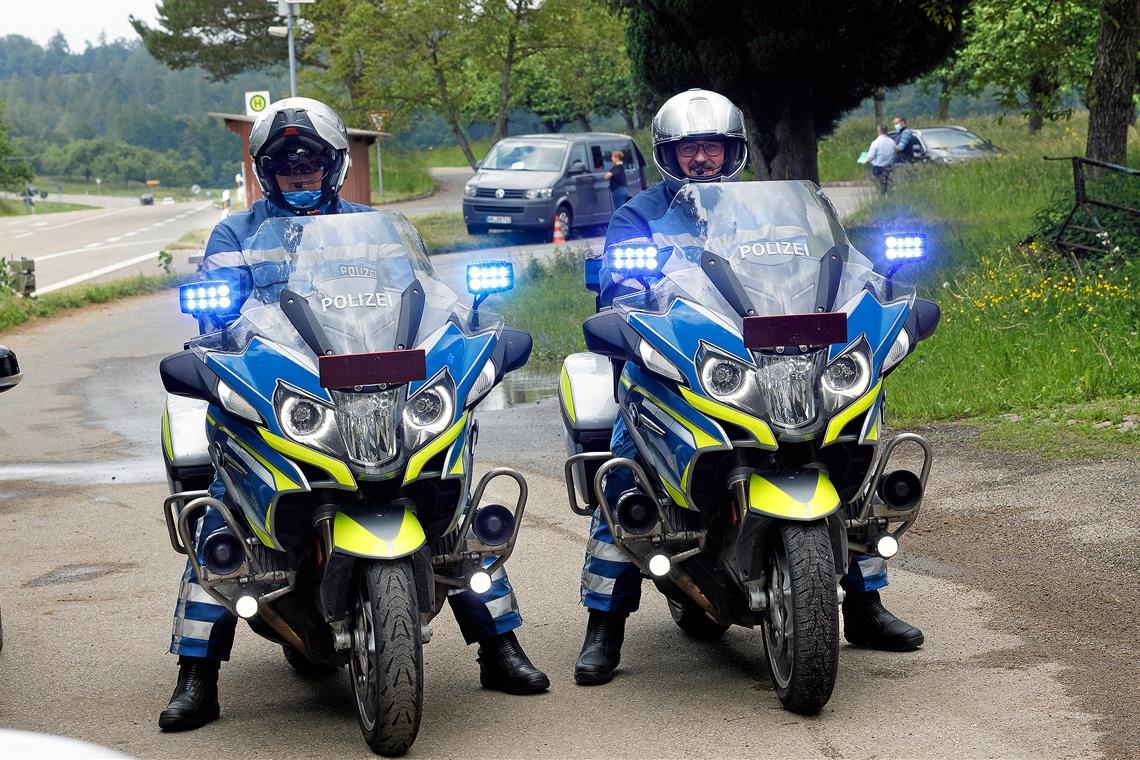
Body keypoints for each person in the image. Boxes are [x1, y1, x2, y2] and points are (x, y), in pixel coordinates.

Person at [160, 97, 548, 733]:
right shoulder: (237, 235)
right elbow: (218, 320)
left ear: (333, 163)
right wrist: (214, 338)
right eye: (285, 159)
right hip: (289, 389)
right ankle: (196, 677)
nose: (299, 170)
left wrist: (463, 328)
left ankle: (500, 648)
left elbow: (424, 298)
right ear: (266, 166)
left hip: (373, 388)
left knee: (457, 515)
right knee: (222, 521)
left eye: (310, 157)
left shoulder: (376, 227)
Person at [574, 88, 924, 688]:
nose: (701, 160)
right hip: (678, 365)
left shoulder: (771, 207)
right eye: (689, 150)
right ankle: (604, 628)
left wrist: (869, 289)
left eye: (711, 148)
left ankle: (865, 609)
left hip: (768, 361)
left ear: (733, 150)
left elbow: (833, 260)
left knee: (850, 474)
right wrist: (623, 298)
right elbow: (617, 286)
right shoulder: (642, 215)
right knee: (626, 481)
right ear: (668, 154)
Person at [864, 123, 897, 194]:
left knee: (880, 185)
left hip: (878, 168)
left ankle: (882, 195)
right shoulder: (892, 142)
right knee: (889, 185)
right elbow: (895, 154)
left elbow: (870, 157)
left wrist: (865, 161)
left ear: (878, 131)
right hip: (889, 167)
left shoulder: (875, 142)